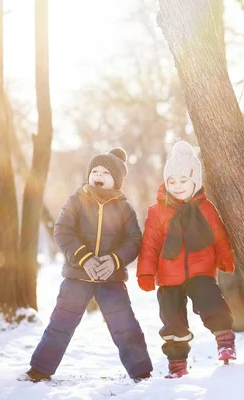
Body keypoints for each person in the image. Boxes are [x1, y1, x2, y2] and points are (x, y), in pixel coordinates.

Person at [25, 148, 153, 383]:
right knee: (60, 324)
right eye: (95, 170)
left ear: (116, 180)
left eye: (105, 172)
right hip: (77, 275)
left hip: (111, 279)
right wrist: (84, 258)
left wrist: (114, 260)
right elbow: (62, 231)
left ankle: (141, 372)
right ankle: (40, 370)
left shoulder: (124, 207)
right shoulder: (77, 199)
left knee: (125, 326)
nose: (99, 175)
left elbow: (134, 241)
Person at [137, 141, 236, 379]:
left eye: (183, 181)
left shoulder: (206, 208)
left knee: (210, 301)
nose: (177, 186)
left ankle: (224, 340)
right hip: (168, 276)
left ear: (195, 183)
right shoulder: (157, 211)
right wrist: (146, 272)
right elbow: (150, 243)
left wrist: (224, 256)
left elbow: (219, 235)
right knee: (172, 321)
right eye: (172, 181)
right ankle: (177, 364)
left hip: (201, 270)